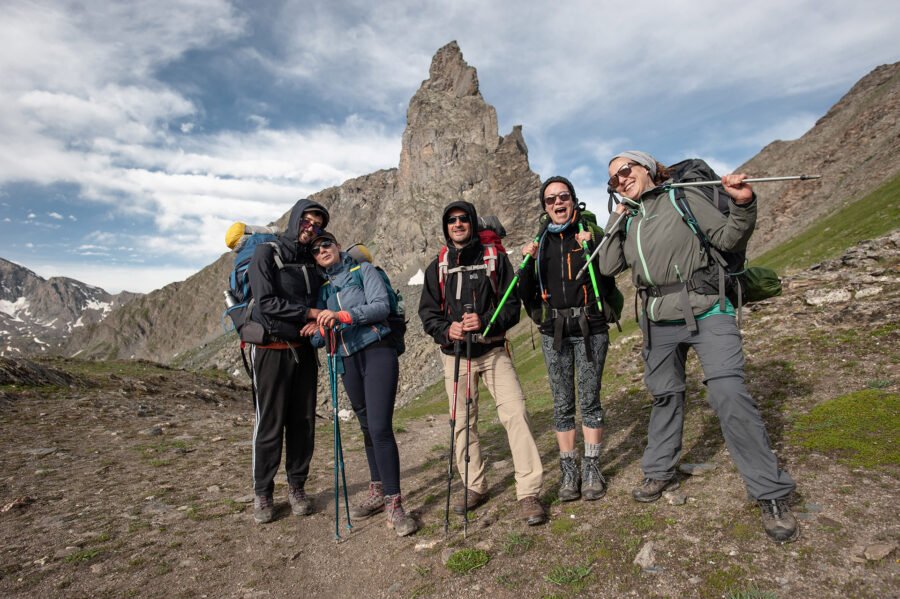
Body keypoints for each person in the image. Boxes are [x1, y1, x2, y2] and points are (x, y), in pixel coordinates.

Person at [598, 150, 798, 543]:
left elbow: (728, 236)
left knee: (728, 392)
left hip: (706, 308)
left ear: (649, 168)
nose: (621, 180)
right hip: (657, 319)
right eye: (613, 180)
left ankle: (770, 493)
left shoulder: (682, 197)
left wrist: (744, 203)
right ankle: (659, 471)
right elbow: (606, 266)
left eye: (626, 171)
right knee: (664, 395)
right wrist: (616, 219)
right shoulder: (630, 218)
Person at [418, 201, 546, 525]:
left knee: (516, 413)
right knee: (462, 423)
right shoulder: (438, 266)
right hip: (456, 356)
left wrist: (485, 321)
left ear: (472, 223)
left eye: (463, 219)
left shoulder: (494, 259)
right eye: (452, 221)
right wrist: (447, 329)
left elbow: (512, 306)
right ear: (446, 227)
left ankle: (529, 492)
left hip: (493, 351)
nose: (458, 224)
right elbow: (428, 314)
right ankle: (474, 486)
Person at [309, 231, 418, 537]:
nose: (322, 250)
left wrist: (342, 315)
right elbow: (321, 335)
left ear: (337, 246)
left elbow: (381, 306)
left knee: (380, 427)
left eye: (326, 244)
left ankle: (394, 504)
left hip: (376, 350)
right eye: (316, 250)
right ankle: (377, 487)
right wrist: (316, 331)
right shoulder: (323, 289)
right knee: (367, 428)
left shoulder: (363, 270)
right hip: (346, 362)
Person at [519, 177, 618, 502]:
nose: (558, 203)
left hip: (591, 326)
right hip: (554, 332)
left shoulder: (589, 233)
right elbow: (526, 294)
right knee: (562, 404)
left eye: (563, 196)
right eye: (550, 200)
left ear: (574, 200)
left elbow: (611, 270)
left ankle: (591, 467)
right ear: (544, 207)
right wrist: (525, 266)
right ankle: (569, 472)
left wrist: (594, 243)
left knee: (589, 400)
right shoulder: (540, 244)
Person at [246, 199, 329, 524]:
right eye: (306, 221)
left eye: (317, 225)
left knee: (303, 422)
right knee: (269, 422)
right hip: (270, 349)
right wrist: (309, 313)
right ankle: (263, 491)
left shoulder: (311, 261)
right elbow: (267, 303)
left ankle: (297, 486)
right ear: (295, 219)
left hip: (304, 351)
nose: (311, 228)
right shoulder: (266, 254)